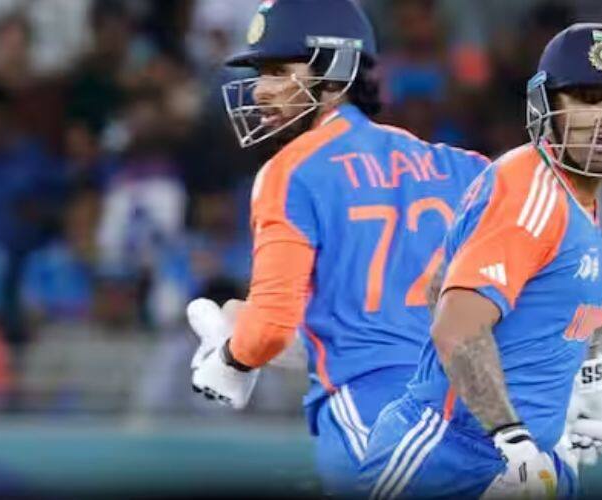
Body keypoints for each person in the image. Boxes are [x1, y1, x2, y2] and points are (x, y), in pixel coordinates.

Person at [186, 0, 488, 494]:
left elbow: (271, 329)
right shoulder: (463, 166)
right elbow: (554, 254)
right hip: (482, 416)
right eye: (261, 74)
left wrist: (231, 358)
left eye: (278, 71)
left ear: (336, 70)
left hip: (374, 412)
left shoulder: (291, 171)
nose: (260, 90)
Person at [359, 23, 602, 498]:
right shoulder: (530, 190)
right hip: (450, 454)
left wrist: (587, 377)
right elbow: (456, 327)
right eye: (586, 99)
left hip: (522, 455)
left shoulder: (575, 194)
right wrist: (513, 438)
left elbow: (457, 288)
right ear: (547, 106)